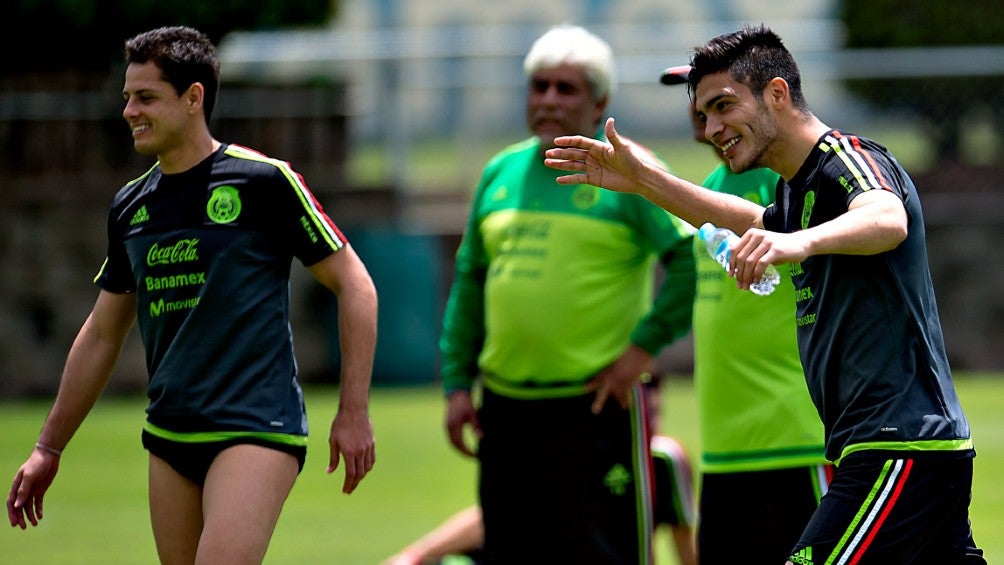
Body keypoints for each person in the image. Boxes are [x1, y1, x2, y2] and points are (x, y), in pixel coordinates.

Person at [545, 23, 985, 564]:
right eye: (704, 115)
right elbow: (748, 217)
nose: (710, 129)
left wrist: (795, 243)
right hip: (895, 446)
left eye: (723, 106)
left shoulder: (846, 158)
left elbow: (886, 218)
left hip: (898, 444)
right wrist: (644, 181)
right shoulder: (795, 190)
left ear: (776, 93)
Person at [6, 26, 378, 564]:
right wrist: (48, 447)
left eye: (146, 97)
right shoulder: (131, 206)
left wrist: (354, 410)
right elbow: (104, 331)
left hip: (256, 424)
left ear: (193, 98)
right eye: (127, 98)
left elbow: (356, 285)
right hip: (170, 431)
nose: (130, 110)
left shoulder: (264, 182)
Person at [439, 24, 696, 564]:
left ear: (600, 100)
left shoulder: (629, 173)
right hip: (505, 411)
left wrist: (640, 353)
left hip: (595, 408)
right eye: (540, 86)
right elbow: (470, 281)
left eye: (567, 88)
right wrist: (457, 381)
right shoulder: (499, 172)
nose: (549, 99)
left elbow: (688, 260)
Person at [662, 65, 833, 565]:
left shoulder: (787, 179)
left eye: (721, 101)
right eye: (696, 100)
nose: (703, 112)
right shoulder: (712, 185)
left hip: (796, 440)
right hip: (723, 447)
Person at [383, 377, 697, 565]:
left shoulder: (666, 459)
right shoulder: (579, 446)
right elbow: (494, 518)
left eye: (654, 412)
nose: (648, 421)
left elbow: (685, 545)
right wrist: (417, 554)